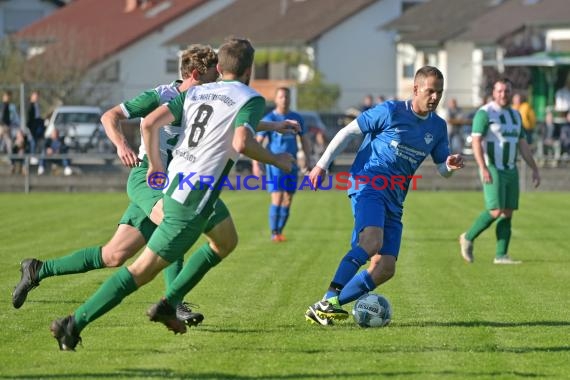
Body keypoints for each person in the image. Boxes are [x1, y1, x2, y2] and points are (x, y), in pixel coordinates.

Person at [12, 45, 298, 324]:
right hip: (149, 178)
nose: (219, 83)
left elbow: (230, 121)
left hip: (178, 179)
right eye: (215, 76)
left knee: (113, 255)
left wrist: (272, 126)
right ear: (198, 74)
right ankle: (173, 304)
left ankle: (38, 269)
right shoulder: (164, 95)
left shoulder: (206, 96)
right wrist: (122, 146)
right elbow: (110, 116)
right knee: (173, 224)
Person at [304, 66, 464, 325]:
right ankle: (330, 298)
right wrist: (321, 165)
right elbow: (348, 132)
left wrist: (450, 165)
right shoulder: (390, 111)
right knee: (371, 242)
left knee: (385, 267)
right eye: (430, 91)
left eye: (440, 92)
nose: (435, 97)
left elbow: (442, 168)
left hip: (396, 197)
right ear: (415, 89)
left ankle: (324, 305)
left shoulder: (438, 127)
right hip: (369, 183)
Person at [459, 78, 540, 265]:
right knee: (495, 210)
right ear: (493, 93)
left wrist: (534, 168)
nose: (503, 94)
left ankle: (501, 255)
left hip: (511, 169)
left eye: (507, 91)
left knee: (508, 212)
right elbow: (477, 141)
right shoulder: (485, 113)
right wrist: (483, 167)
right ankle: (468, 237)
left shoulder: (515, 115)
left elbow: (522, 144)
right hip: (492, 167)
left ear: (511, 93)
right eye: (500, 91)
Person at [252, 87, 312, 241]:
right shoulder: (270, 118)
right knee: (277, 197)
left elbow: (303, 140)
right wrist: (255, 163)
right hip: (275, 164)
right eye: (281, 97)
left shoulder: (296, 117)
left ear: (290, 99)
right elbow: (257, 142)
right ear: (276, 99)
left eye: (286, 97)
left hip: (291, 163)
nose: (284, 99)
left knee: (288, 199)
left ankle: (279, 231)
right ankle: (274, 233)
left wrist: (307, 159)